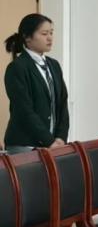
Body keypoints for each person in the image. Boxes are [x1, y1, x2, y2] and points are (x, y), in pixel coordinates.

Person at [3, 13, 68, 152]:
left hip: (52, 144)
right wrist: (49, 141)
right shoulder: (17, 68)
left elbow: (63, 103)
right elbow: (24, 110)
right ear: (27, 37)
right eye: (44, 33)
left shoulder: (54, 65)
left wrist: (61, 138)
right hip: (25, 144)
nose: (50, 38)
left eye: (51, 33)